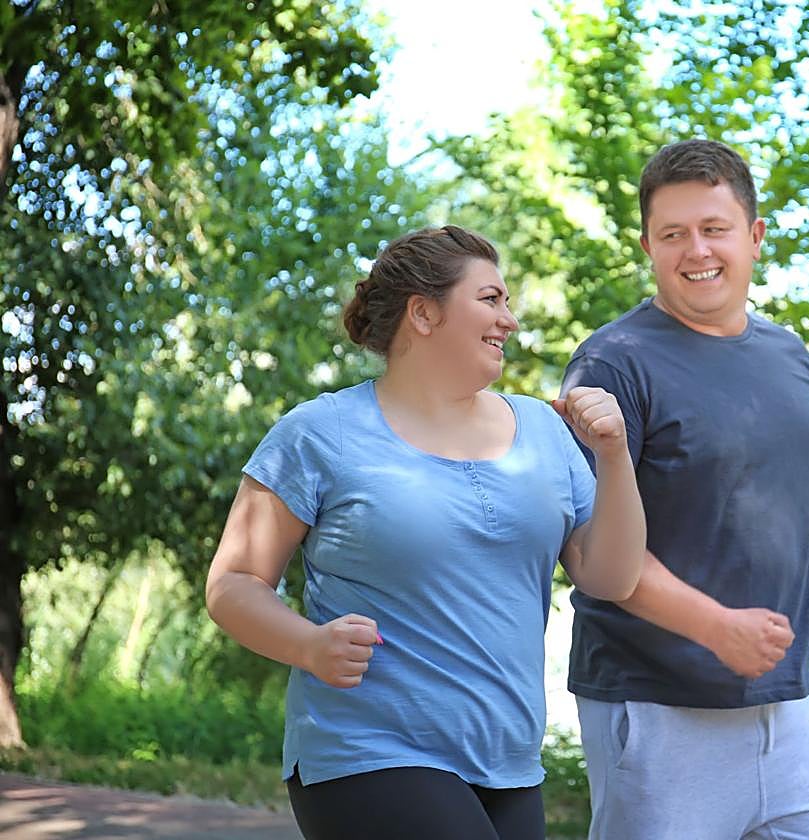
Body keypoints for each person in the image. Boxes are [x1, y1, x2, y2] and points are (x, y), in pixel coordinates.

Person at [205, 225, 645, 840]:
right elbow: (234, 583)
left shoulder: (545, 431)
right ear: (424, 313)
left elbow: (613, 576)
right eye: (490, 300)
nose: (510, 320)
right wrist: (308, 646)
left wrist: (615, 454)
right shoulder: (320, 433)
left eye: (508, 302)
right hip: (367, 751)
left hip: (509, 761)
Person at [561, 139, 809, 840]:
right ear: (647, 245)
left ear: (755, 237)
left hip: (788, 709)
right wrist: (715, 627)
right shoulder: (612, 363)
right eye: (673, 234)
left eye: (714, 228)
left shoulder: (787, 354)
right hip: (657, 710)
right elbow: (591, 548)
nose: (695, 250)